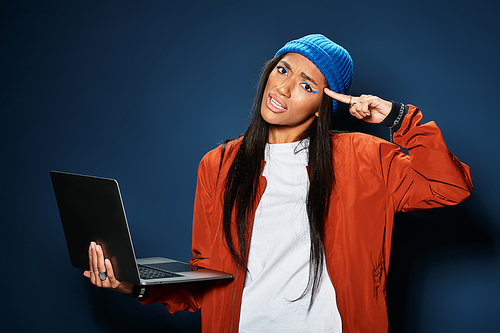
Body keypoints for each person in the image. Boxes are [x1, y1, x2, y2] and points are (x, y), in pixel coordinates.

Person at [84, 34, 473, 332]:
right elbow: (207, 277)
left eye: (307, 85)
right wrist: (134, 284)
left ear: (324, 107)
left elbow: (448, 187)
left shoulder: (364, 158)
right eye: (283, 70)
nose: (283, 88)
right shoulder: (219, 165)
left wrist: (399, 118)